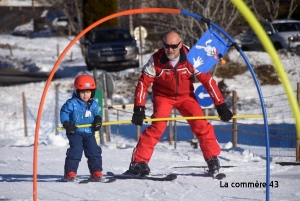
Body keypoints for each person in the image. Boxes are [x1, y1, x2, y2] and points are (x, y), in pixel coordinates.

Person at [125, 30, 233, 176]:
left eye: (174, 46)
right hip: (163, 97)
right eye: (166, 46)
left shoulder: (192, 57)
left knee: (201, 124)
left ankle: (212, 158)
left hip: (186, 97)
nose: (170, 49)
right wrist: (139, 107)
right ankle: (139, 162)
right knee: (158, 126)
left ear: (180, 44)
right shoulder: (156, 60)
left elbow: (207, 81)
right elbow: (143, 84)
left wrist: (220, 104)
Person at [60, 74, 104, 181]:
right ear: (77, 91)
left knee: (94, 151)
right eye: (83, 92)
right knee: (76, 151)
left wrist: (98, 120)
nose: (85, 95)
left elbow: (96, 113)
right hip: (75, 131)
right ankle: (70, 172)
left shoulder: (93, 104)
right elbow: (64, 113)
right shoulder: (72, 103)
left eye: (88, 92)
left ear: (92, 92)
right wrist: (67, 124)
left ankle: (96, 171)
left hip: (89, 131)